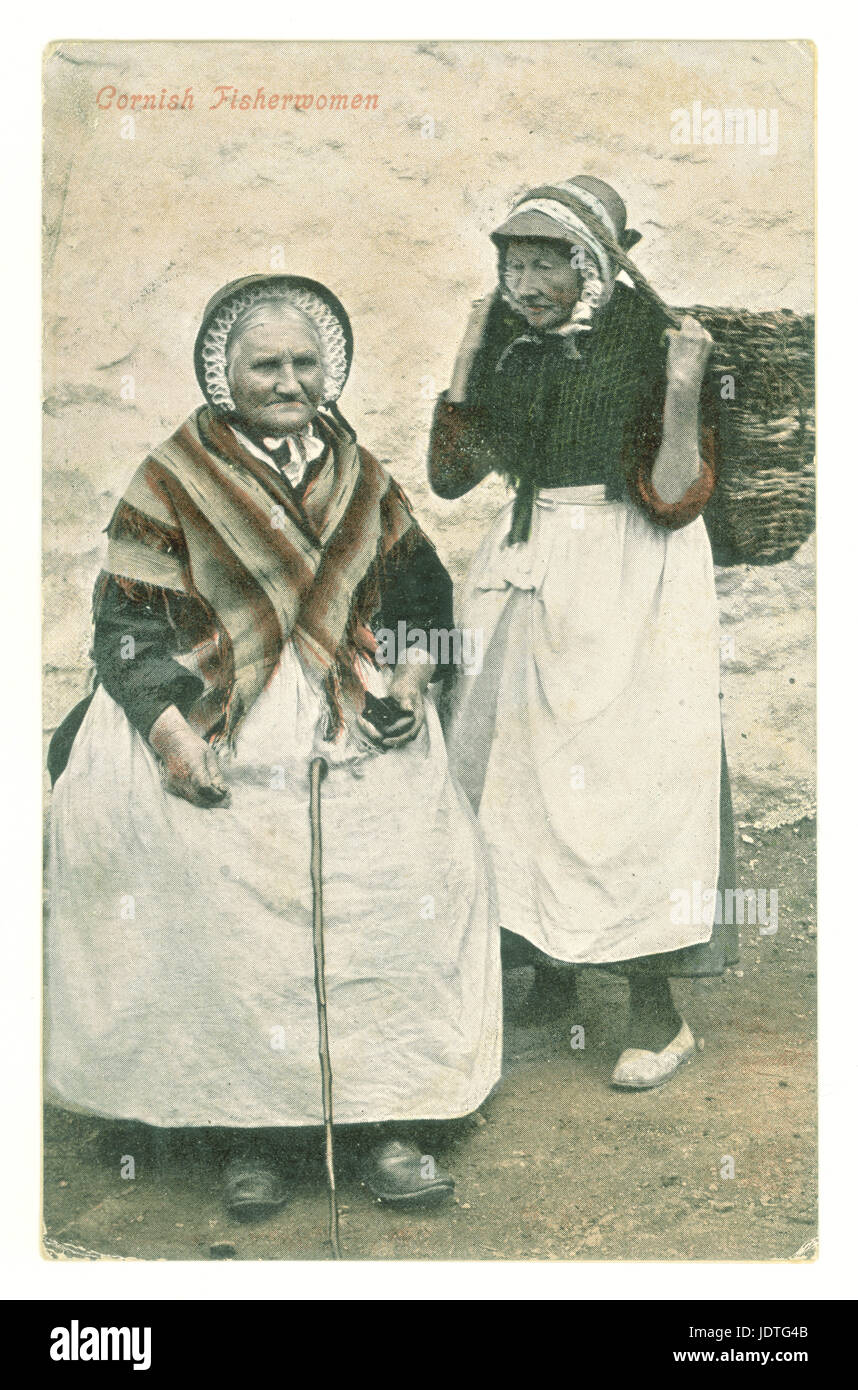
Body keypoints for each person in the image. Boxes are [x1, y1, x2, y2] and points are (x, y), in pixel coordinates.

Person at [46, 273, 501, 1218]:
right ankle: (245, 1135)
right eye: (265, 364)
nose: (287, 380)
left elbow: (422, 600)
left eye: (303, 361)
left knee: (399, 873)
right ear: (225, 372)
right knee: (217, 891)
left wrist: (412, 683)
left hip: (346, 697)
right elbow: (125, 627)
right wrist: (170, 734)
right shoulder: (172, 475)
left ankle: (388, 1120)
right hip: (207, 708)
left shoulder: (362, 473)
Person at [428, 176, 737, 1091]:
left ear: (593, 266)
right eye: (512, 263)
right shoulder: (510, 351)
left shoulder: (656, 347)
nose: (524, 282)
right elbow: (449, 478)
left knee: (622, 783)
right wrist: (465, 354)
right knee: (510, 772)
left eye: (543, 264)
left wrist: (683, 390)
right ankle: (547, 975)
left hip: (629, 575)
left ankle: (658, 1013)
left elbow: (678, 497)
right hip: (526, 570)